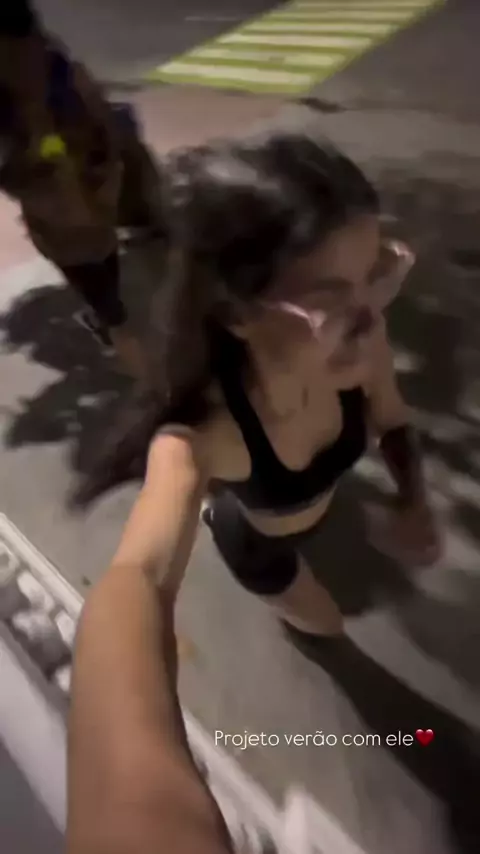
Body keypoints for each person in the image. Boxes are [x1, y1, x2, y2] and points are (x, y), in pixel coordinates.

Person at [68, 131, 441, 853]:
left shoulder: (356, 341)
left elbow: (393, 417)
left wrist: (414, 495)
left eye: (376, 276)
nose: (371, 320)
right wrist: (140, 803)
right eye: (332, 302)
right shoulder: (201, 435)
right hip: (262, 545)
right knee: (326, 628)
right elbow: (136, 577)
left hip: (314, 509)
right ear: (237, 313)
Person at [0, 0, 160, 378]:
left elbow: (91, 107)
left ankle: (118, 328)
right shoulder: (46, 60)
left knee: (93, 254)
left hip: (77, 177)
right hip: (69, 181)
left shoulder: (47, 65)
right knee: (92, 257)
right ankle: (118, 328)